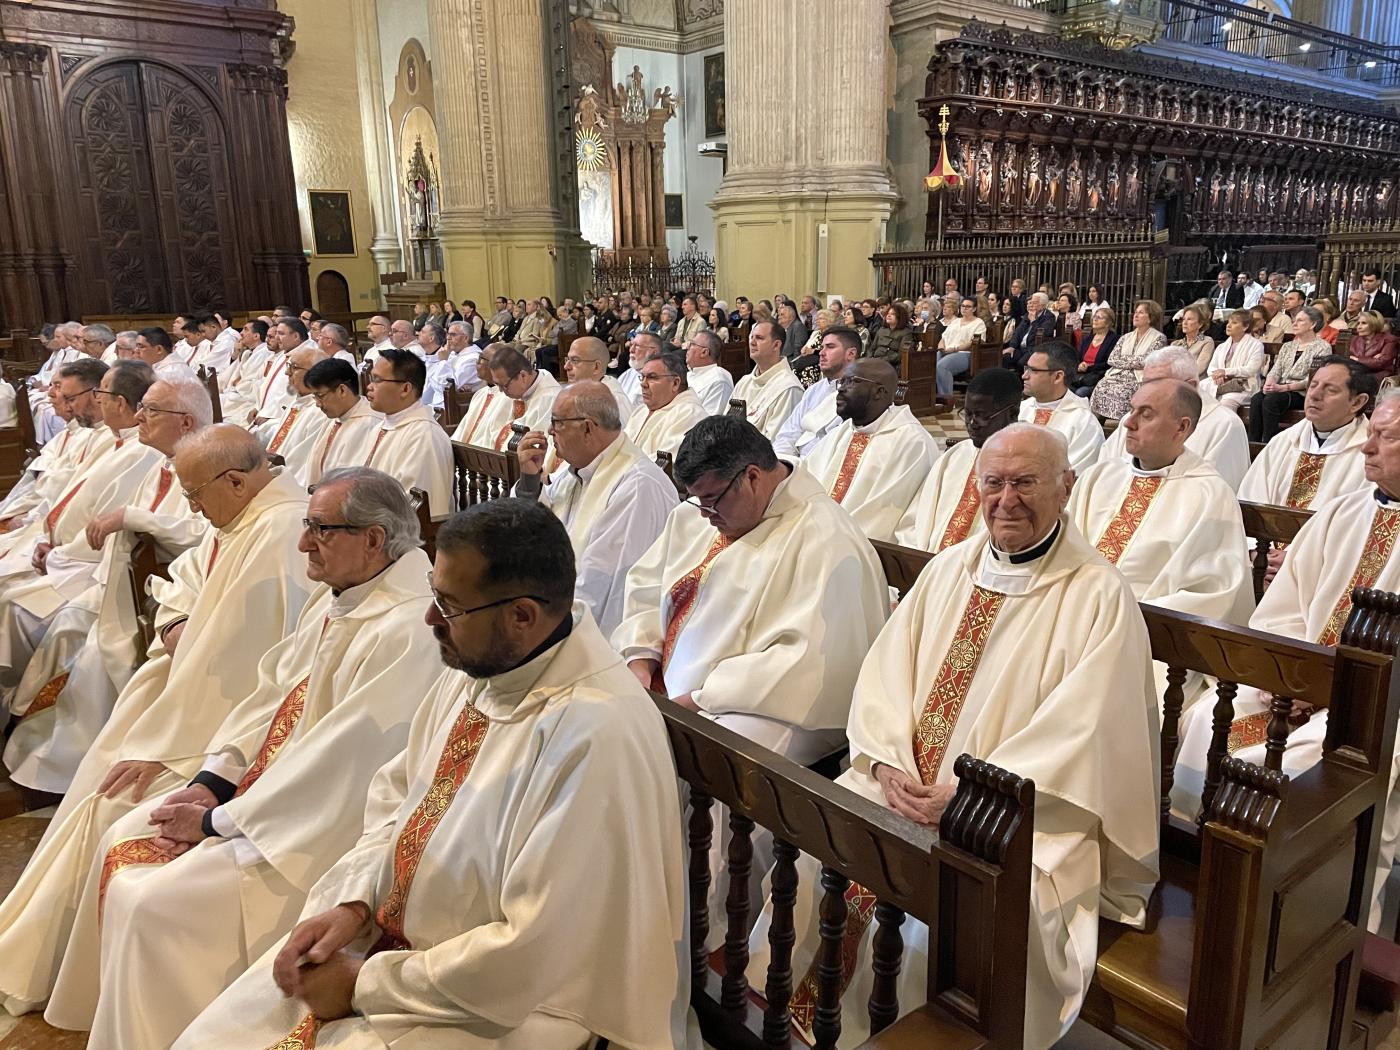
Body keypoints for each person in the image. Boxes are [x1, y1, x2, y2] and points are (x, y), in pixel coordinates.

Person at [176, 499, 691, 1049]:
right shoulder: (485, 666)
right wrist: (353, 904)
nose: (429, 618)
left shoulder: (596, 732)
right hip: (412, 960)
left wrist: (361, 983)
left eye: (448, 605)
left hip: (518, 1005)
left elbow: (537, 947)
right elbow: (398, 801)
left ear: (521, 615)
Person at [752, 422, 1159, 1050]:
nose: (1006, 500)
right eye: (992, 483)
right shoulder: (949, 569)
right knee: (819, 850)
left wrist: (970, 798)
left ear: (1066, 487)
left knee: (941, 925)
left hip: (1023, 814)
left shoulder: (1097, 595)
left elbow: (1085, 729)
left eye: (1025, 482)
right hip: (905, 782)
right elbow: (886, 674)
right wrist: (886, 761)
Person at [44, 469, 444, 1048]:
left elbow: (342, 766)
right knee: (123, 833)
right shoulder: (344, 596)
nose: (304, 543)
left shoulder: (407, 625)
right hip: (265, 803)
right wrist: (212, 783)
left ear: (374, 540)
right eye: (307, 526)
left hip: (311, 835)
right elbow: (271, 697)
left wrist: (214, 822)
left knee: (154, 903)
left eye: (320, 530)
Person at [0, 426, 316, 1016]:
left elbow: (249, 669)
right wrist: (174, 625)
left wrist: (174, 751)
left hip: (215, 729)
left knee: (110, 799)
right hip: (184, 695)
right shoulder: (241, 516)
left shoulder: (278, 533)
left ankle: (85, 985)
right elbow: (185, 580)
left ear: (237, 480)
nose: (193, 509)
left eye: (197, 495)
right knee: (101, 781)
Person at [1173, 393, 1400, 930]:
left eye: (1386, 437)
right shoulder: (1344, 512)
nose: (1366, 446)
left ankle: (1306, 933)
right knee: (1205, 720)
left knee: (1307, 772)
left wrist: (1334, 685)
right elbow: (1285, 609)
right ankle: (1196, 884)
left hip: (1381, 710)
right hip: (1303, 682)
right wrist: (1296, 673)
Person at [4, 378, 212, 793]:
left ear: (186, 421)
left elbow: (202, 533)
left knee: (73, 636)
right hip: (116, 583)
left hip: (165, 594)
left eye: (151, 411)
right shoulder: (163, 460)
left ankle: (66, 761)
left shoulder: (207, 463)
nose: (139, 418)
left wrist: (135, 518)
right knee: (65, 627)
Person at [1070, 378, 1251, 631]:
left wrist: (1119, 615)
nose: (1128, 423)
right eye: (1131, 410)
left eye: (1146, 415)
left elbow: (1214, 593)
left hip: (1148, 633)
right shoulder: (1099, 477)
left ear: (1181, 428)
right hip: (1070, 616)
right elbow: (1062, 550)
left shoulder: (1210, 495)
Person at [515, 381, 676, 636]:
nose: (550, 431)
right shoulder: (577, 471)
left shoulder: (636, 487)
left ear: (588, 429)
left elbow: (601, 583)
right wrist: (530, 481)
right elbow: (543, 530)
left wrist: (547, 634)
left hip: (598, 634)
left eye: (558, 423)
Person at [798, 359, 938, 542]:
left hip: (860, 546)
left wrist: (827, 535)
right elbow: (807, 479)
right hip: (816, 533)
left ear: (879, 392)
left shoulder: (912, 442)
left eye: (852, 381)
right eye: (842, 381)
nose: (841, 388)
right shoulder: (845, 430)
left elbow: (882, 517)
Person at [896, 367, 1022, 551]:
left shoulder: (1029, 466)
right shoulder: (955, 456)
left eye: (981, 415)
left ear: (1012, 414)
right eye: (968, 414)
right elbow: (916, 518)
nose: (971, 424)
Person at [1240, 355, 1374, 513]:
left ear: (1357, 402)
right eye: (1312, 385)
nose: (1314, 395)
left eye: (1330, 390)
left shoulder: (1372, 456)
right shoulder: (1283, 442)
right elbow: (1251, 500)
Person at [362, 348, 454, 517]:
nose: (369, 386)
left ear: (405, 389)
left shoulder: (424, 436)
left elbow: (414, 508)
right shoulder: (383, 425)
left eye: (377, 380)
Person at [1247, 304, 1333, 442]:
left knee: (1271, 400)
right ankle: (1253, 443)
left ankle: (1269, 443)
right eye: (1295, 320)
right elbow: (1276, 369)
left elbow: (1314, 379)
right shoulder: (1288, 346)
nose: (1294, 323)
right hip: (1280, 388)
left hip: (1302, 392)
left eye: (1300, 320)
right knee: (1257, 399)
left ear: (1313, 324)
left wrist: (1285, 387)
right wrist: (1270, 382)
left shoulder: (1322, 347)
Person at [772, 326, 861, 457]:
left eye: (830, 347)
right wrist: (784, 464)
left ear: (851, 354)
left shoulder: (861, 393)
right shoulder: (814, 390)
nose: (821, 352)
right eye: (822, 347)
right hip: (795, 465)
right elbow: (789, 433)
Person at [1019, 342, 1104, 474]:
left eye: (1033, 370)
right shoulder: (1020, 409)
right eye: (1026, 369)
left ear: (1058, 377)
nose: (1024, 376)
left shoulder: (1084, 424)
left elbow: (1073, 477)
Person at [300, 359, 384, 487]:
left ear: (342, 390)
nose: (317, 404)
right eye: (314, 397)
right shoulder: (338, 416)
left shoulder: (368, 424)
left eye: (320, 396)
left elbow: (351, 481)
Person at [253, 345, 331, 472]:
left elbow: (299, 463)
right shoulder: (299, 401)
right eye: (289, 366)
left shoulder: (320, 411)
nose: (287, 372)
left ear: (316, 373)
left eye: (294, 367)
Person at [622, 350, 710, 459]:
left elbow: (666, 464)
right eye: (642, 377)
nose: (643, 384)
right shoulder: (641, 410)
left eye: (652, 377)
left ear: (675, 383)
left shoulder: (689, 414)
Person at [1089, 299, 1167, 419]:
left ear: (1150, 318)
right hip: (1117, 375)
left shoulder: (1159, 338)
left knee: (1125, 391)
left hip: (1138, 378)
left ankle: (1125, 425)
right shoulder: (1126, 337)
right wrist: (1134, 361)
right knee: (1101, 386)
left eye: (1141, 312)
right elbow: (1112, 359)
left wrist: (1125, 360)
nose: (1135, 315)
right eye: (1135, 312)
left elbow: (1147, 361)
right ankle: (1096, 424)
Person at [481, 343, 562, 456]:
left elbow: (537, 447)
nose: (500, 391)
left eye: (504, 385)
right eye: (497, 385)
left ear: (523, 376)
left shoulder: (549, 399)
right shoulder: (516, 390)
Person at [731, 320, 803, 440]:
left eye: (759, 338)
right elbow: (724, 424)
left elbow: (777, 440)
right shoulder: (744, 382)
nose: (752, 342)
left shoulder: (788, 388)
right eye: (751, 337)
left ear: (776, 345)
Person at [1198, 309, 1266, 411]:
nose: (1228, 325)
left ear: (1245, 326)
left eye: (1234, 323)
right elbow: (1211, 368)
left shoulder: (1256, 345)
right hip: (1221, 384)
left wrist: (1225, 372)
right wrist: (1217, 376)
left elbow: (1251, 369)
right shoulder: (1222, 346)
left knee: (1226, 402)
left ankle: (1226, 426)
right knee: (1200, 395)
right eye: (1228, 322)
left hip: (1243, 387)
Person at [563, 335, 634, 425]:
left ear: (596, 367)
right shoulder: (578, 391)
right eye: (567, 359)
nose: (566, 367)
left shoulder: (613, 403)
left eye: (575, 360)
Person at [934, 297, 989, 398]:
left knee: (941, 366)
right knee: (930, 365)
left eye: (968, 307)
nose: (964, 308)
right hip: (946, 351)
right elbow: (944, 337)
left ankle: (947, 399)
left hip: (964, 353)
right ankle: (931, 398)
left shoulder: (979, 322)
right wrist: (941, 347)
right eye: (963, 306)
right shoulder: (955, 321)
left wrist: (955, 349)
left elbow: (974, 342)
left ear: (974, 309)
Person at [423, 320, 482, 411]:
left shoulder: (473, 359)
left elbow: (446, 388)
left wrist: (443, 362)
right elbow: (432, 380)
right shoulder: (452, 353)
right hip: (436, 404)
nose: (448, 338)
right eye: (448, 334)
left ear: (465, 338)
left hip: (450, 409)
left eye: (453, 335)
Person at [684, 329, 735, 414]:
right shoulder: (688, 375)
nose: (687, 347)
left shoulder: (719, 380)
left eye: (692, 344)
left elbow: (711, 421)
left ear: (704, 352)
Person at [1001, 291, 1055, 370]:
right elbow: (1017, 332)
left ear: (1043, 305)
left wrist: (1033, 322)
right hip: (1021, 348)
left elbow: (1043, 334)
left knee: (1021, 363)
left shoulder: (1049, 317)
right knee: (1005, 357)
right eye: (1031, 302)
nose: (1031, 305)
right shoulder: (1028, 315)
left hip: (1033, 349)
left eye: (1035, 303)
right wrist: (1012, 346)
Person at [1172, 301, 1215, 376]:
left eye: (1189, 319)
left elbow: (1199, 369)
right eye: (1184, 319)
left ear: (1200, 324)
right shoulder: (1175, 344)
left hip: (1194, 382)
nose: (1184, 323)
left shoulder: (1207, 342)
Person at [1349, 311, 1397, 378]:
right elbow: (1348, 360)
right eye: (1358, 323)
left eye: (1364, 323)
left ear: (1374, 324)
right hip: (1357, 374)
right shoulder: (1355, 339)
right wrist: (1372, 360)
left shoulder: (1389, 340)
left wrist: (1357, 360)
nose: (1359, 327)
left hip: (1377, 376)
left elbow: (1381, 363)